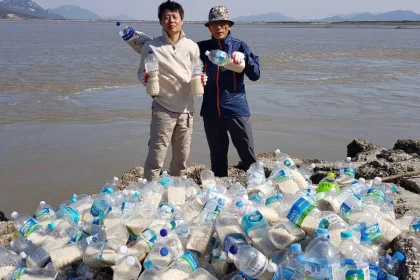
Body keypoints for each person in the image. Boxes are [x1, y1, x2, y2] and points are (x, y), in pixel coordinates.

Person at [138, 0, 206, 181]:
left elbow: (196, 72)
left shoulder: (192, 46)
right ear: (160, 22)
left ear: (182, 20)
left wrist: (201, 79)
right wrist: (145, 78)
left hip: (186, 110)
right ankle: (149, 192)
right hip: (162, 108)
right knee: (156, 156)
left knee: (181, 157)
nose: (171, 21)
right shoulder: (151, 47)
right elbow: (141, 73)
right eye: (166, 17)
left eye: (175, 16)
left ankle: (176, 189)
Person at [197, 6, 260, 177]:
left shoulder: (240, 46)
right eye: (214, 23)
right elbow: (182, 66)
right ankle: (220, 189)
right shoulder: (200, 49)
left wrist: (245, 59)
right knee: (217, 156)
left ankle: (258, 185)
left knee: (247, 152)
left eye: (222, 23)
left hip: (236, 109)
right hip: (210, 110)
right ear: (209, 27)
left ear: (229, 25)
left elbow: (255, 75)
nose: (218, 27)